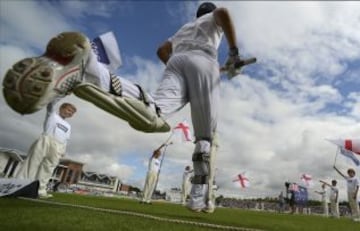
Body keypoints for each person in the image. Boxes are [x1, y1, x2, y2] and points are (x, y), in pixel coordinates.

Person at [3, 2, 251, 213]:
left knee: (153, 113)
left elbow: (162, 50)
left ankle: (91, 70)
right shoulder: (213, 17)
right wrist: (233, 52)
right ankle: (198, 198)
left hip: (178, 62)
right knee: (206, 136)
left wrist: (184, 68)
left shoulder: (185, 28)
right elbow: (224, 13)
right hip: (204, 59)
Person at [15, 102, 77, 198]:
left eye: (72, 113)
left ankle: (40, 190)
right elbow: (50, 104)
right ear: (61, 108)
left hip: (58, 145)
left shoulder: (68, 126)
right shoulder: (52, 115)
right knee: (33, 163)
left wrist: (63, 150)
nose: (70, 113)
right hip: (46, 139)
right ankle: (21, 187)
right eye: (69, 110)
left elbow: (66, 139)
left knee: (49, 168)